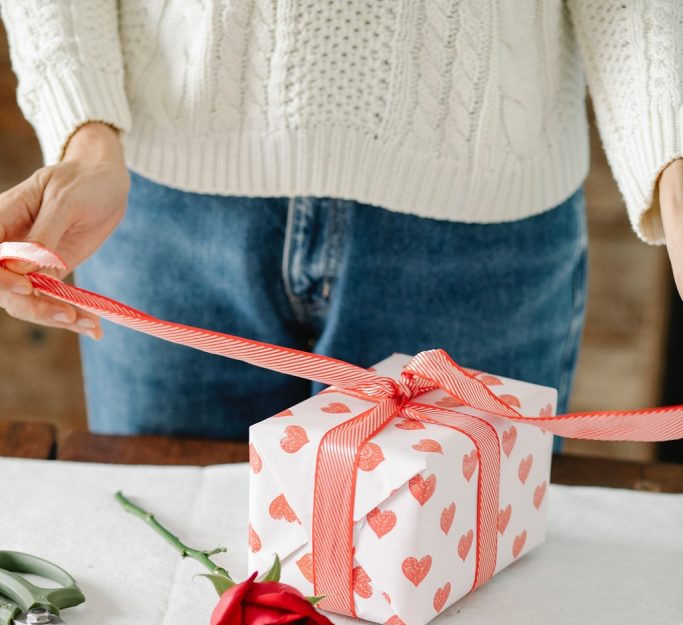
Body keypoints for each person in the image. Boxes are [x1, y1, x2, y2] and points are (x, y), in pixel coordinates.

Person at [0, 1, 681, 440]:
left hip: (481, 231)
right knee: (170, 591)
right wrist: (84, 130)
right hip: (165, 218)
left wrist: (673, 164)